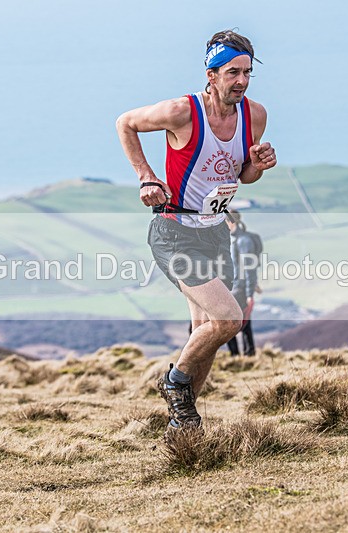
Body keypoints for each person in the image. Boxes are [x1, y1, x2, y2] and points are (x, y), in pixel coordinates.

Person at [115, 29, 276, 431]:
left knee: (205, 330)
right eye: (232, 72)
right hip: (175, 231)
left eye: (247, 73)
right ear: (211, 74)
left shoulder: (254, 115)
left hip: (216, 230)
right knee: (228, 321)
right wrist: (146, 178)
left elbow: (244, 174)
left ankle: (183, 425)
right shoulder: (182, 112)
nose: (241, 81)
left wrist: (259, 163)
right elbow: (125, 123)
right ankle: (175, 381)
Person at [225, 211, 260, 356]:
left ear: (230, 222)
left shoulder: (243, 240)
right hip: (235, 287)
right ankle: (248, 354)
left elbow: (249, 267)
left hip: (239, 288)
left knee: (230, 321)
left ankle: (238, 355)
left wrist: (250, 292)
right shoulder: (234, 239)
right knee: (242, 322)